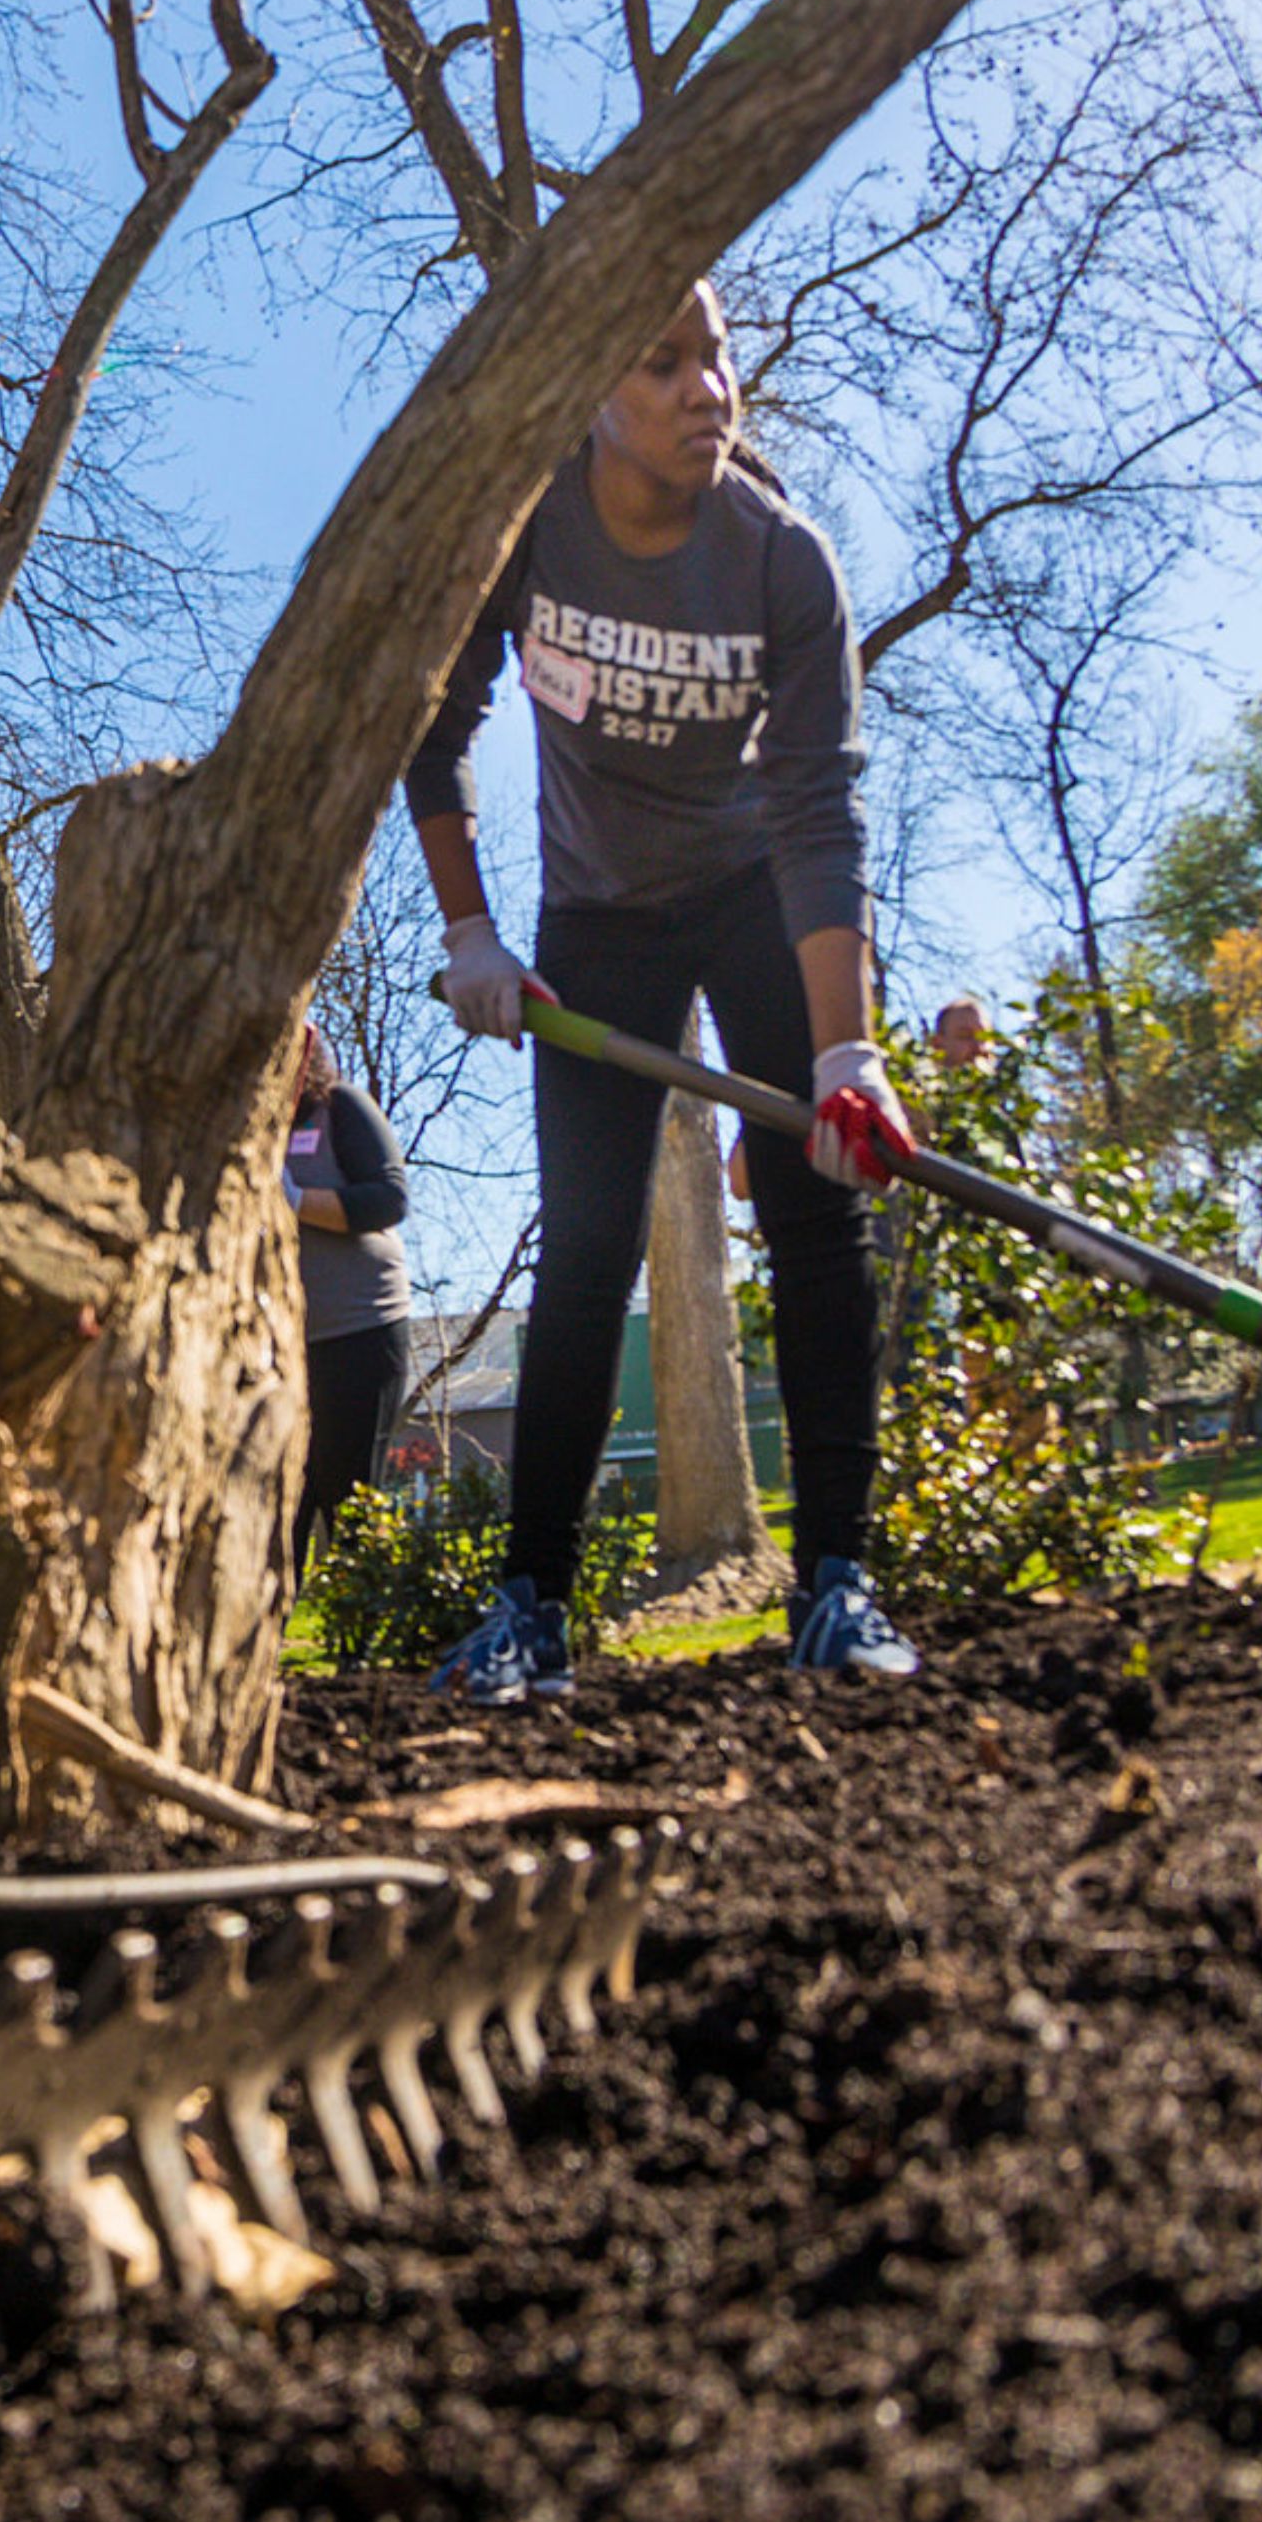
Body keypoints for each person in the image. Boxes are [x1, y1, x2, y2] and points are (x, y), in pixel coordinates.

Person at [404, 278, 919, 1705]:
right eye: (662, 357)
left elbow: (820, 815)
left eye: (718, 355)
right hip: (600, 920)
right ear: (587, 389)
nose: (709, 386)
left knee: (816, 1218)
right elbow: (433, 729)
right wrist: (473, 935)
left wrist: (844, 1055)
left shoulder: (781, 561)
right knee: (585, 1252)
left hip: (757, 896)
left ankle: (833, 1584)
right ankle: (534, 1611)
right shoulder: (525, 528)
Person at [283, 1021, 415, 1572]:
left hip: (360, 1331)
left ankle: (368, 1634)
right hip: (283, 1348)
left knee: (351, 1492)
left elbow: (388, 1199)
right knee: (282, 1501)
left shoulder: (342, 1107)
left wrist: (293, 1198)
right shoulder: (243, 1128)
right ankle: (267, 1651)